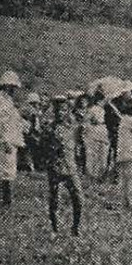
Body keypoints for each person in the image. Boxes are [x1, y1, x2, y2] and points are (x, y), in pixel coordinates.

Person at [44, 95, 84, 235]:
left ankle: (75, 228)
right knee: (54, 198)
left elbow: (78, 145)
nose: (60, 113)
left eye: (63, 110)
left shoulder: (72, 128)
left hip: (70, 166)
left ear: (67, 111)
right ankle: (55, 229)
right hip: (55, 166)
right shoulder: (49, 128)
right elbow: (43, 147)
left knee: (78, 198)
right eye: (57, 110)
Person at [0, 70, 27, 205]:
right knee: (2, 170)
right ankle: (2, 198)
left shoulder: (7, 100)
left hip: (9, 139)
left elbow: (12, 120)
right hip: (3, 140)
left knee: (8, 169)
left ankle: (5, 198)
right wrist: (5, 141)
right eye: (13, 88)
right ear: (7, 86)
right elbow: (0, 123)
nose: (14, 90)